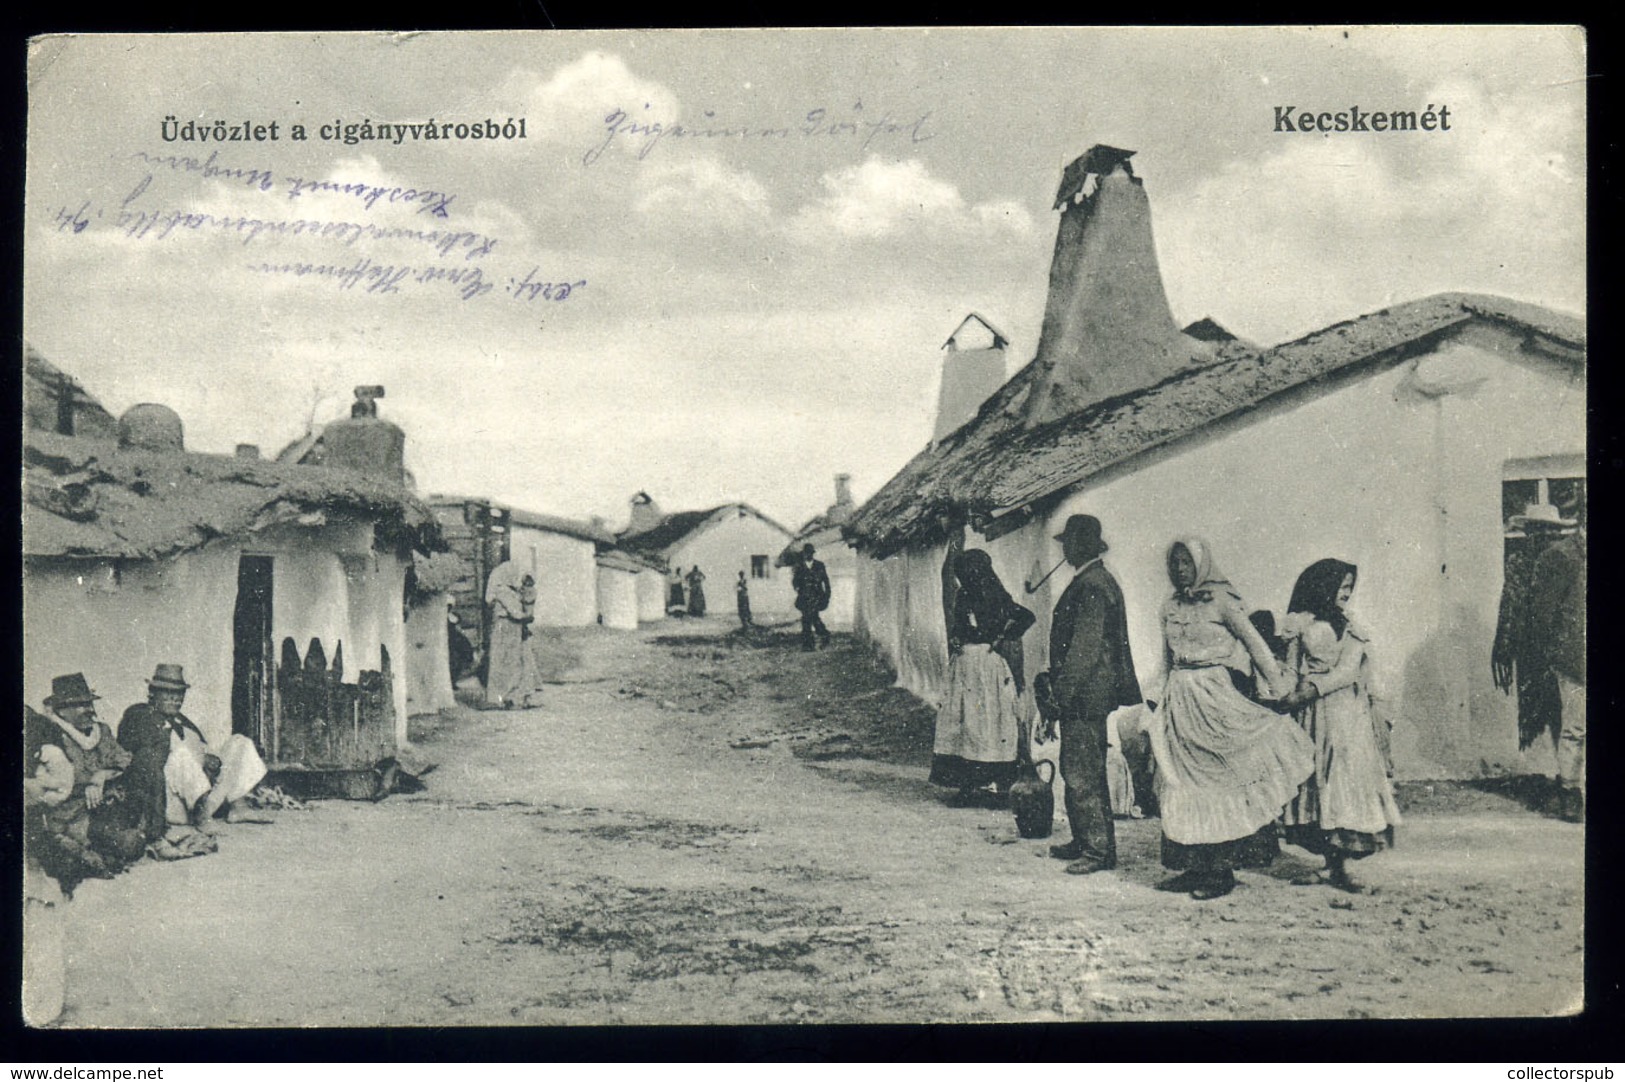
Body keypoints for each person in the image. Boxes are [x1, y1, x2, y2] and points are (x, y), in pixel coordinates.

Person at [1146, 538, 1314, 900]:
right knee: (1182, 783)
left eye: (1186, 562)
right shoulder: (1168, 606)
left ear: (1201, 564)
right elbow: (1165, 659)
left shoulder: (1224, 602)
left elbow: (1256, 646)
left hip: (1215, 696)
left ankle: (1219, 872)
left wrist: (1281, 688)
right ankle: (1193, 868)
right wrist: (1155, 697)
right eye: (1174, 563)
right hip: (1180, 698)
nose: (1179, 570)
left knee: (1218, 782)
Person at [1278, 559, 1403, 892]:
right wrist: (1284, 695)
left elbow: (1348, 671)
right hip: (1311, 716)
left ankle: (1343, 865)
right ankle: (1328, 862)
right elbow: (1290, 669)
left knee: (1343, 780)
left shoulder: (1352, 626)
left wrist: (1313, 688)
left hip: (1347, 714)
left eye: (1350, 587)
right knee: (1315, 779)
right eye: (1342, 586)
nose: (1346, 593)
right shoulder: (1298, 624)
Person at [1040, 515, 1142, 874]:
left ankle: (1098, 850)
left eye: (1070, 541)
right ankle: (1084, 839)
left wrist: (1060, 696)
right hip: (1084, 694)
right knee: (1076, 765)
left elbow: (1084, 649)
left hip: (1086, 695)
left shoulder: (1093, 584)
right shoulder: (1090, 580)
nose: (1065, 548)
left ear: (1085, 544)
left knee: (1083, 770)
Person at [117, 664, 268, 848]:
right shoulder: (139, 714)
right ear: (153, 693)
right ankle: (202, 819)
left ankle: (239, 807)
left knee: (239, 742)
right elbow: (152, 753)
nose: (175, 699)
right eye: (167, 693)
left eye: (179, 693)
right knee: (180, 756)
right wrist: (202, 760)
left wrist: (210, 758)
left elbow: (202, 750)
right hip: (172, 801)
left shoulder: (180, 719)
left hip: (204, 789)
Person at [931, 549, 1036, 807]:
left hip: (987, 669)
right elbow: (959, 626)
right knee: (965, 724)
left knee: (989, 723)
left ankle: (998, 785)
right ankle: (967, 786)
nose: (965, 578)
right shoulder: (962, 596)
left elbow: (1026, 617)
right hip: (964, 668)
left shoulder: (997, 596)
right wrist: (956, 638)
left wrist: (1002, 637)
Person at [25, 674, 144, 891]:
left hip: (103, 805)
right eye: (79, 705)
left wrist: (101, 776)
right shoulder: (51, 736)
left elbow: (124, 759)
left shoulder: (102, 731)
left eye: (88, 703)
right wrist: (91, 781)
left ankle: (102, 846)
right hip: (71, 813)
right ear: (61, 711)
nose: (89, 710)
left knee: (133, 842)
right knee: (122, 845)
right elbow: (63, 778)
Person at [1527, 498, 1586, 822]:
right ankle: (1570, 791)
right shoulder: (1560, 556)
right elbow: (1544, 615)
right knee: (1576, 728)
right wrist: (1558, 654)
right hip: (1576, 660)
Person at [1493, 507, 1565, 766]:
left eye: (1548, 530)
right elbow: (1510, 606)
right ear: (1528, 532)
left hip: (1564, 651)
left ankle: (1568, 779)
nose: (1543, 535)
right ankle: (1548, 773)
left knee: (1566, 715)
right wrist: (1506, 645)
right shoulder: (1519, 563)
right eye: (1536, 529)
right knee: (1534, 711)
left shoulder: (1567, 562)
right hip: (1531, 650)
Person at [484, 559, 541, 709]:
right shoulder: (502, 591)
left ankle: (516, 697)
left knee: (517, 663)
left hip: (513, 630)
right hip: (504, 630)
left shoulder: (513, 592)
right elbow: (516, 613)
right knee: (503, 663)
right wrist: (525, 617)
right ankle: (499, 698)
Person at [793, 544, 833, 651]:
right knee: (810, 618)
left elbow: (826, 581)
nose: (808, 555)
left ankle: (816, 640)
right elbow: (795, 581)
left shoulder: (820, 565)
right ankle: (814, 641)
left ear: (812, 554)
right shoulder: (800, 566)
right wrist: (797, 588)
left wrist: (827, 596)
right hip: (804, 597)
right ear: (804, 554)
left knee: (809, 618)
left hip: (817, 596)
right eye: (806, 553)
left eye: (810, 553)